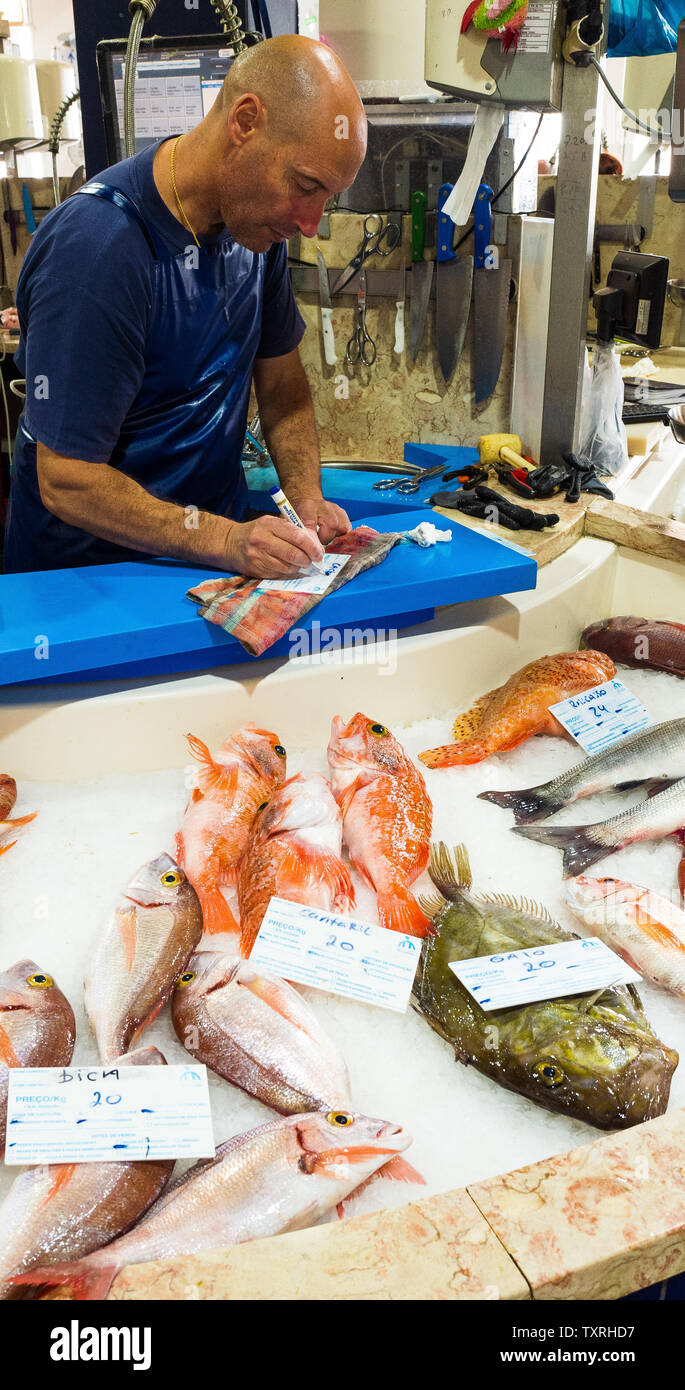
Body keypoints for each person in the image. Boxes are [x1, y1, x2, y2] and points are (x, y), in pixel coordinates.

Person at [4, 35, 367, 575]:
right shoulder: (99, 249)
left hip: (207, 567)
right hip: (90, 582)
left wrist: (305, 496)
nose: (309, 224)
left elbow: (283, 387)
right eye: (305, 184)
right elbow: (67, 480)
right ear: (245, 121)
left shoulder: (255, 233)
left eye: (326, 197)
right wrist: (224, 540)